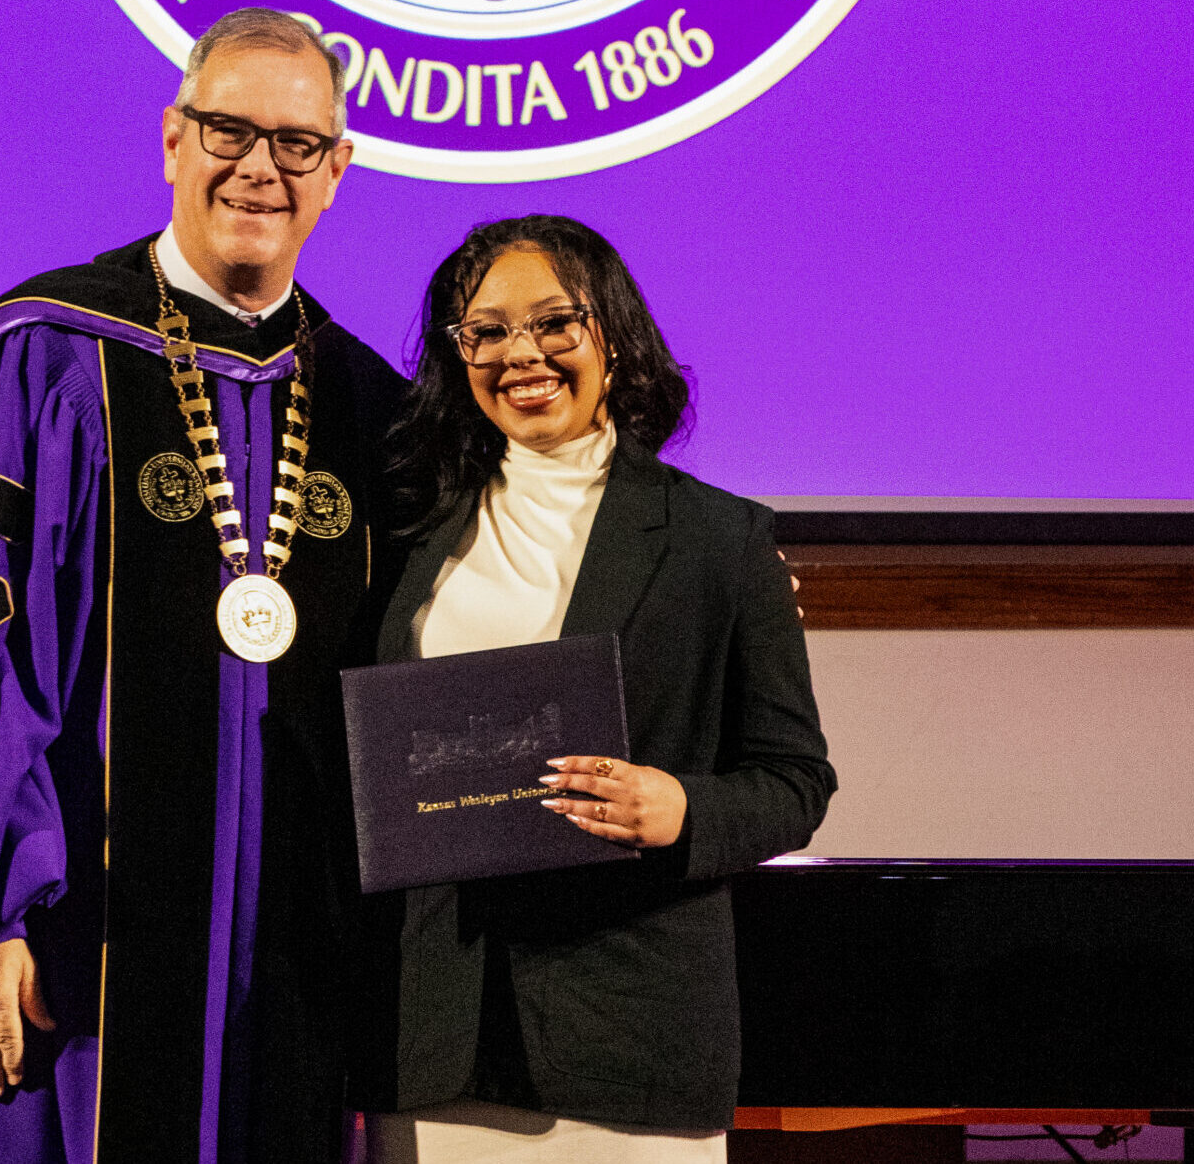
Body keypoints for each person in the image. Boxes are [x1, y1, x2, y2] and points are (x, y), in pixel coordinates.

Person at [0, 9, 408, 1164]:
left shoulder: (369, 411)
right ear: (174, 138)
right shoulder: (34, 360)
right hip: (47, 959)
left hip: (284, 984)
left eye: (295, 143)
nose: (258, 168)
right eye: (229, 129)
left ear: (338, 169)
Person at [352, 216, 835, 1161]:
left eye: (552, 322)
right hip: (435, 1030)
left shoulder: (719, 541)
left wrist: (681, 806)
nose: (519, 352)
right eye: (484, 331)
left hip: (629, 1035)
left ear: (610, 334)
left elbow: (793, 779)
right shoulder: (400, 533)